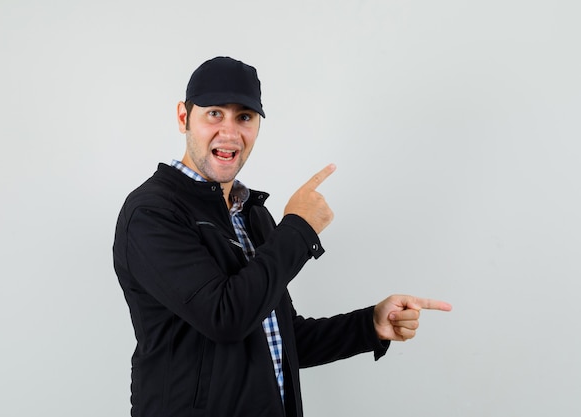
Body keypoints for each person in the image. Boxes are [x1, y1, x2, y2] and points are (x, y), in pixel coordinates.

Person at [113, 56, 452, 417]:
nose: (229, 133)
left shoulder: (252, 214)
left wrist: (370, 325)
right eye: (214, 113)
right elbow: (225, 318)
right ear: (184, 117)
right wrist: (299, 229)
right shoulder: (152, 213)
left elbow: (281, 338)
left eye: (244, 117)